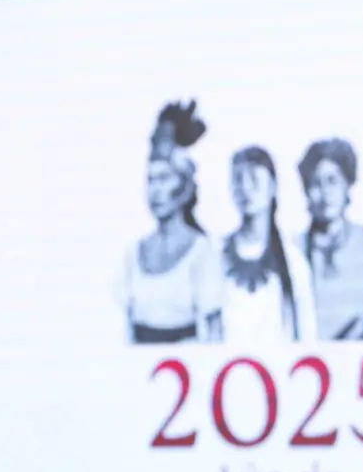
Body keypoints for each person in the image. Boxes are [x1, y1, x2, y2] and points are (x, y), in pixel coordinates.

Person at [116, 100, 225, 343]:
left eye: (164, 179)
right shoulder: (132, 254)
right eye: (151, 180)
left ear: (184, 187)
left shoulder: (202, 252)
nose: (155, 191)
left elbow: (215, 336)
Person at [221, 146, 316, 344]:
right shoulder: (215, 256)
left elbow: (307, 336)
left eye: (254, 179)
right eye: (238, 179)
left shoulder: (293, 261)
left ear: (272, 187)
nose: (246, 188)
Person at [296, 137, 363, 341]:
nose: (325, 193)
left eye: (332, 181)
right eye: (316, 184)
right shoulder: (296, 249)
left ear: (347, 185)